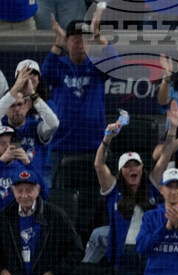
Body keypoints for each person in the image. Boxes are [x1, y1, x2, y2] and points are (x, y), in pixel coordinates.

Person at [41, 13, 117, 187]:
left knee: (97, 195)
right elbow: (44, 75)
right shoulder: (59, 65)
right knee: (60, 195)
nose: (80, 44)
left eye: (84, 40)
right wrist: (57, 43)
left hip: (95, 145)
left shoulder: (96, 65)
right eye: (75, 40)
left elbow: (115, 63)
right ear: (67, 43)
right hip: (62, 145)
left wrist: (97, 34)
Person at [95, 119, 164, 275]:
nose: (133, 169)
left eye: (136, 165)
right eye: (127, 166)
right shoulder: (113, 189)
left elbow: (167, 154)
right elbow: (99, 164)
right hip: (125, 253)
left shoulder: (152, 187)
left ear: (142, 168)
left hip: (151, 252)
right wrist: (107, 139)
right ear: (120, 172)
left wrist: (174, 129)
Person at [0, 168, 83, 275]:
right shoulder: (3, 217)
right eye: (19, 190)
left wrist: (56, 274)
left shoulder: (56, 216)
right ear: (13, 191)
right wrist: (1, 271)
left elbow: (77, 250)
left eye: (29, 190)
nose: (24, 195)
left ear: (38, 190)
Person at [0, 61, 59, 186]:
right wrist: (16, 88)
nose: (16, 109)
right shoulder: (2, 126)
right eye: (11, 106)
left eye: (20, 105)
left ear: (27, 106)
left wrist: (32, 94)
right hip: (8, 178)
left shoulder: (35, 127)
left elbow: (54, 124)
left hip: (36, 177)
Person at [0, 125, 44, 211]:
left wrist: (28, 163)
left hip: (14, 217)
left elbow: (44, 193)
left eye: (11, 143)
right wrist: (2, 161)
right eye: (2, 144)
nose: (8, 147)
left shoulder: (22, 169)